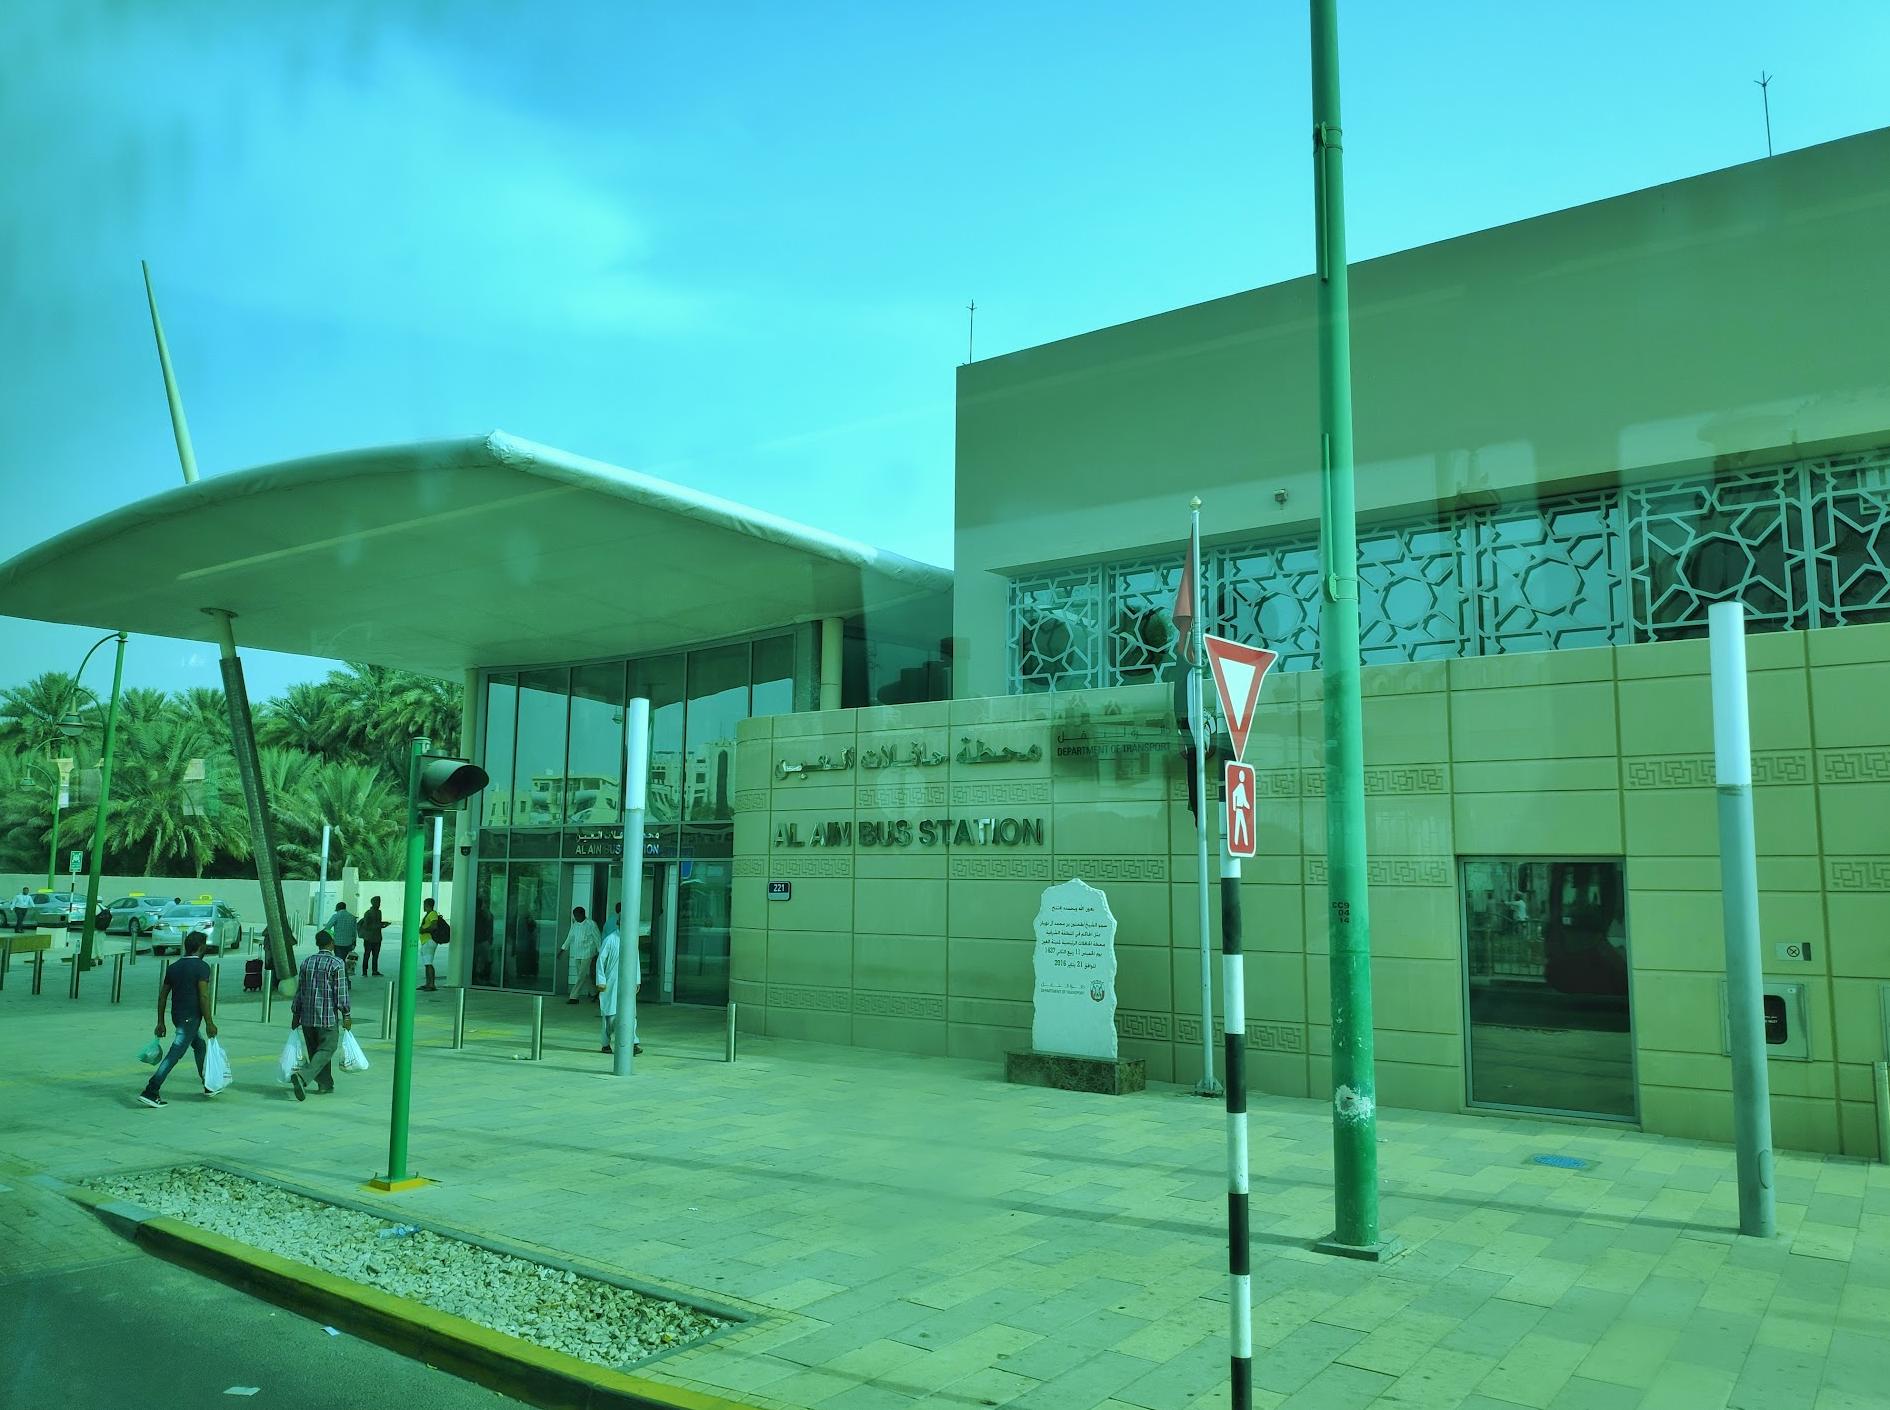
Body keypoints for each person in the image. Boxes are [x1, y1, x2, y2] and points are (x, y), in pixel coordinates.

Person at [139, 931, 218, 1107]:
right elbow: (204, 996)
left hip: (177, 1016)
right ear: (201, 947)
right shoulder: (202, 967)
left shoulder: (174, 967)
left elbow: (162, 996)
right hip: (190, 1018)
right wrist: (209, 1022)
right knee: (175, 1053)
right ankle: (151, 1089)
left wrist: (161, 1021)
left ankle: (207, 1083)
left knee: (199, 1045)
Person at [288, 929, 350, 1100]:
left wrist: (295, 1014)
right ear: (331, 943)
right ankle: (302, 1076)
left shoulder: (307, 962)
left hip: (307, 1017)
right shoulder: (336, 964)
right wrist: (346, 1015)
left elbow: (300, 991)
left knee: (316, 1052)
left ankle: (325, 1084)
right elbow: (341, 993)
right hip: (326, 1017)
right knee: (327, 1049)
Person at [595, 904, 641, 1055]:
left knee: (631, 1014)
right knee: (610, 1015)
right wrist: (601, 981)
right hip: (611, 982)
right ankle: (606, 1043)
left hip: (628, 982)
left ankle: (632, 1042)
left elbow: (636, 961)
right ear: (619, 923)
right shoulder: (610, 939)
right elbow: (600, 961)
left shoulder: (632, 940)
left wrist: (637, 980)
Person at [561, 906, 601, 1004]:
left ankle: (574, 997)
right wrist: (562, 950)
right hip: (577, 953)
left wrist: (601, 953)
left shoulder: (591, 924)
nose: (575, 917)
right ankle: (594, 993)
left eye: (577, 915)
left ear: (582, 914)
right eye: (574, 915)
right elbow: (570, 937)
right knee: (584, 975)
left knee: (581, 975)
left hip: (588, 953)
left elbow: (597, 938)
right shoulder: (575, 925)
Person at [325, 900, 360, 974]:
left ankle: (340, 975)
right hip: (349, 943)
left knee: (339, 961)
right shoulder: (352, 917)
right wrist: (354, 942)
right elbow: (354, 932)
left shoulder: (336, 916)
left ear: (337, 908)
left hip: (338, 943)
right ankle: (346, 976)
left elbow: (327, 928)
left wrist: (333, 935)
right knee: (347, 962)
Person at [418, 897, 443, 991]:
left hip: (429, 941)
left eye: (424, 905)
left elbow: (434, 926)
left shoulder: (432, 914)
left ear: (427, 905)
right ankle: (428, 983)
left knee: (428, 963)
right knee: (426, 963)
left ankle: (431, 984)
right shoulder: (428, 914)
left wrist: (423, 930)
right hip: (425, 941)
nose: (423, 907)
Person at [359, 896, 387, 977]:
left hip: (377, 937)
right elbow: (366, 926)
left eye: (379, 902)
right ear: (372, 903)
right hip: (369, 938)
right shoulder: (368, 913)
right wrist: (378, 925)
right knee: (367, 954)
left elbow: (378, 922)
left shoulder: (379, 912)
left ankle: (375, 970)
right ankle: (364, 971)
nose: (378, 904)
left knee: (376, 955)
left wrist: (382, 924)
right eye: (377, 902)